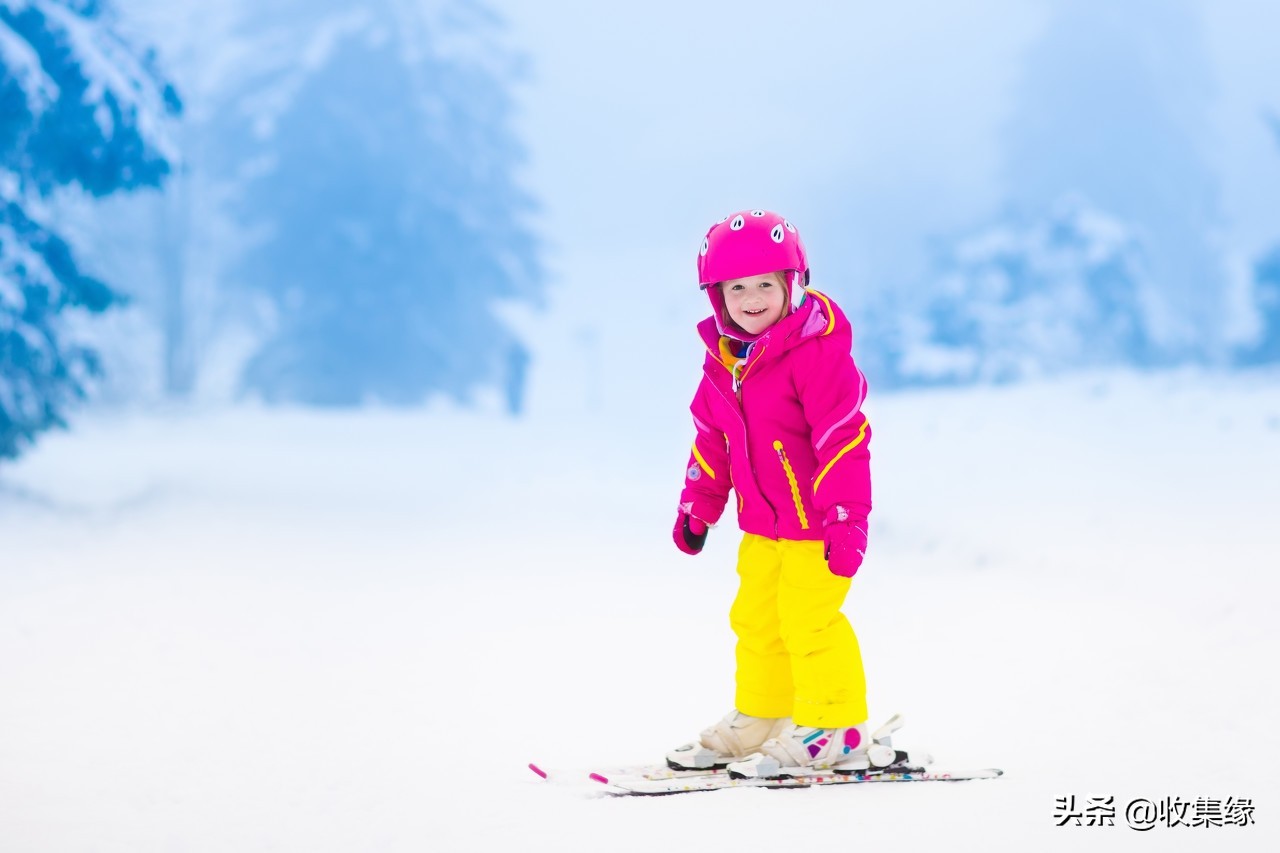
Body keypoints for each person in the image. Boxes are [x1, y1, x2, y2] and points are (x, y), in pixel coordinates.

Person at [666, 209, 873, 779]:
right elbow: (712, 438)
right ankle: (766, 712)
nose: (752, 298)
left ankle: (835, 724)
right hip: (761, 526)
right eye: (738, 288)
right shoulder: (726, 362)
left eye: (766, 285)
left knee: (810, 621)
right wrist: (698, 505)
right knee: (756, 620)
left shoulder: (817, 353)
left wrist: (846, 518)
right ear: (717, 296)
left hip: (815, 527)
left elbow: (843, 438)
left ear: (792, 284)